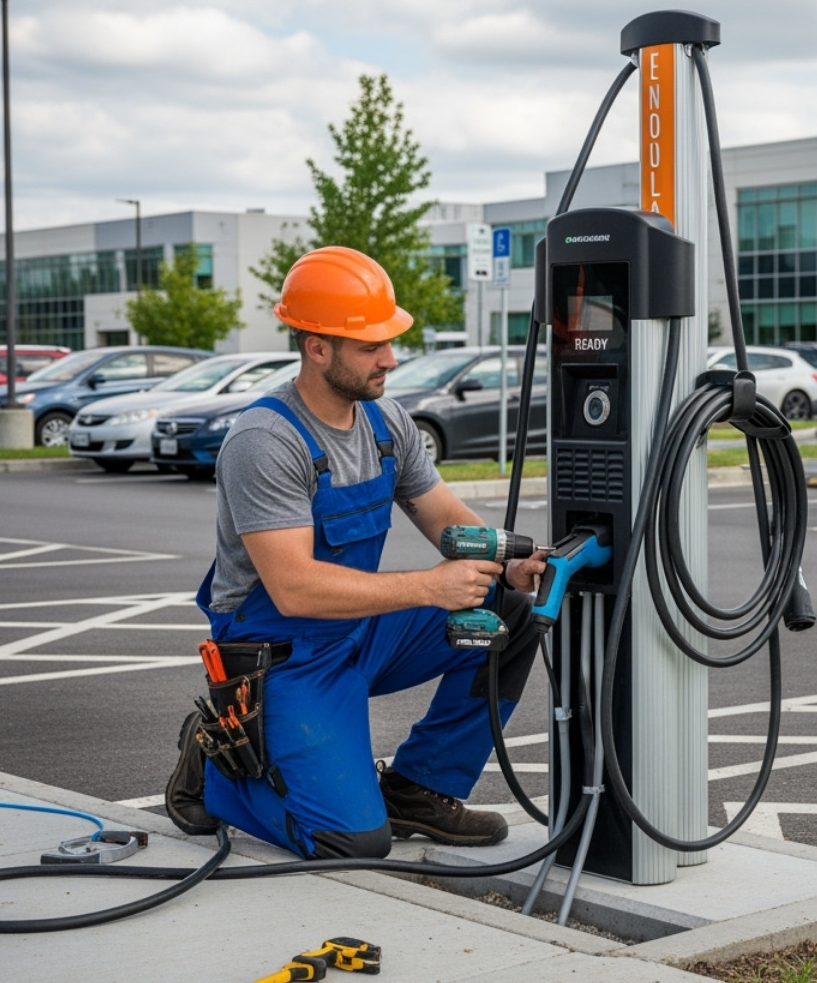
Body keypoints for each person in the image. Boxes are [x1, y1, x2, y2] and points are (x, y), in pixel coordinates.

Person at [165, 246, 546, 859]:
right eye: (372, 346)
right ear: (318, 347)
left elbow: (447, 520)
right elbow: (292, 588)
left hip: (357, 630)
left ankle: (419, 788)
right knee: (353, 842)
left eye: (388, 343)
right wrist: (429, 587)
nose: (390, 359)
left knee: (506, 609)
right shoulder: (265, 440)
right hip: (281, 657)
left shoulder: (385, 423)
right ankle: (214, 769)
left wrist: (513, 564)